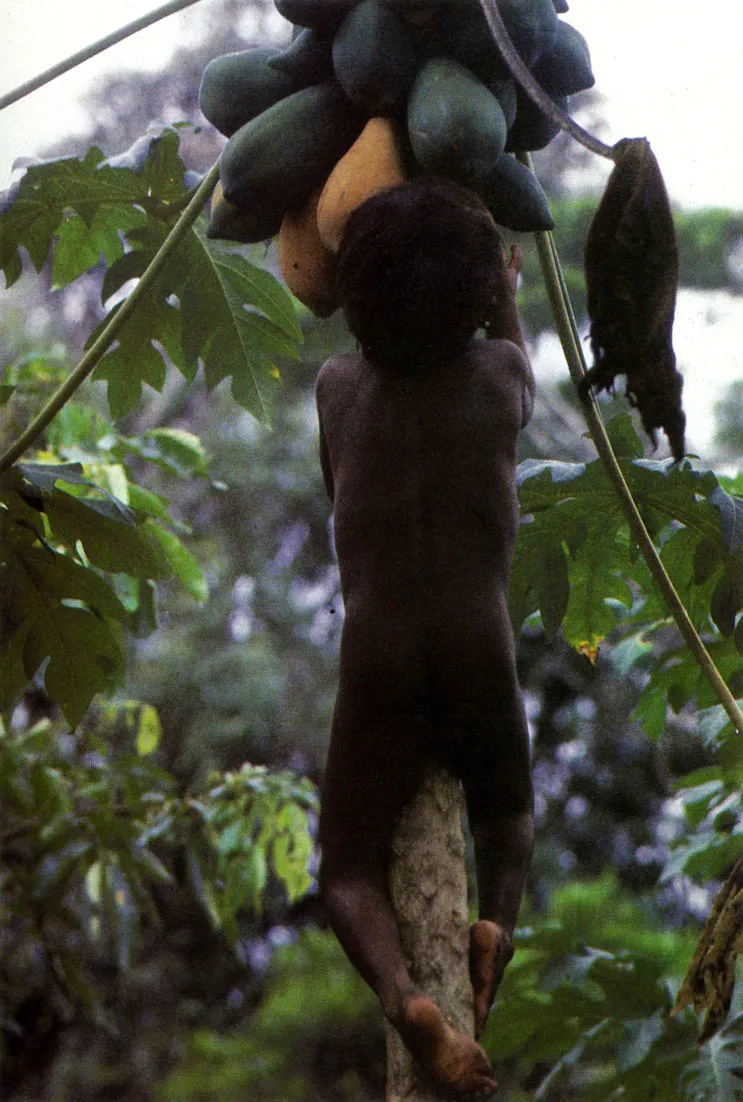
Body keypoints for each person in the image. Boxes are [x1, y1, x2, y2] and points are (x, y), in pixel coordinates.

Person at [315, 179, 535, 1099]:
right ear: (485, 294)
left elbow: (337, 489)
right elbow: (515, 364)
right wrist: (511, 300)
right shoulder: (499, 377)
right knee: (506, 814)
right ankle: (493, 921)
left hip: (380, 650)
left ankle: (406, 999)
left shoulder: (337, 388)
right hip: (476, 639)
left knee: (347, 865)